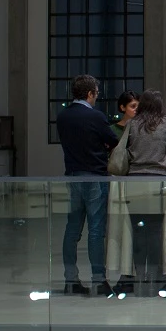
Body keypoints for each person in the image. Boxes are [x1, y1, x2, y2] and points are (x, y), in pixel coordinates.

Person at [55, 74, 119, 296]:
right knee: (96, 230)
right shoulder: (95, 117)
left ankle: (70, 279)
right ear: (90, 93)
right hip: (95, 176)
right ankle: (98, 279)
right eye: (96, 94)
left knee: (72, 229)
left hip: (73, 176)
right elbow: (113, 141)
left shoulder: (63, 117)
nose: (96, 98)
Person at [117, 90, 166, 296]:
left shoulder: (133, 124)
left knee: (138, 231)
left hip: (134, 182)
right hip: (158, 182)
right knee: (155, 231)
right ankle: (154, 279)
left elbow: (125, 149)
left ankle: (140, 278)